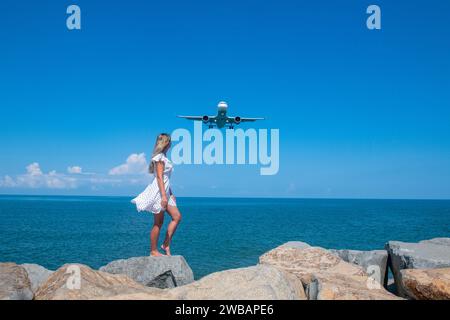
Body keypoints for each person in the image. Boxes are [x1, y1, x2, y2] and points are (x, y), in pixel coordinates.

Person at [131, 133, 182, 256]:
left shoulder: (163, 157)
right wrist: (164, 196)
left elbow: (165, 178)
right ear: (166, 143)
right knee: (158, 223)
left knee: (177, 217)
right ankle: (153, 250)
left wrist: (171, 193)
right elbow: (159, 177)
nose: (171, 144)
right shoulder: (159, 158)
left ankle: (165, 244)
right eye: (170, 141)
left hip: (166, 191)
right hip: (159, 192)